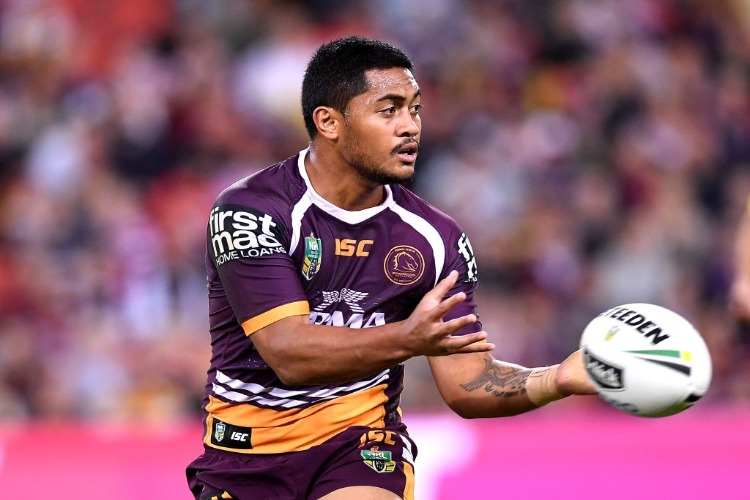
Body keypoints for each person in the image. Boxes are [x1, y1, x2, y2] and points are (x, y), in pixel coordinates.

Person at [186, 35, 595, 500]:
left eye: (415, 109)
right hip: (244, 455)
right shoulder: (252, 211)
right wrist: (406, 339)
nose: (410, 127)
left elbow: (467, 384)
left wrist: (555, 379)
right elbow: (288, 353)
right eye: (389, 110)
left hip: (359, 445)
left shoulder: (435, 239)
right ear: (329, 122)